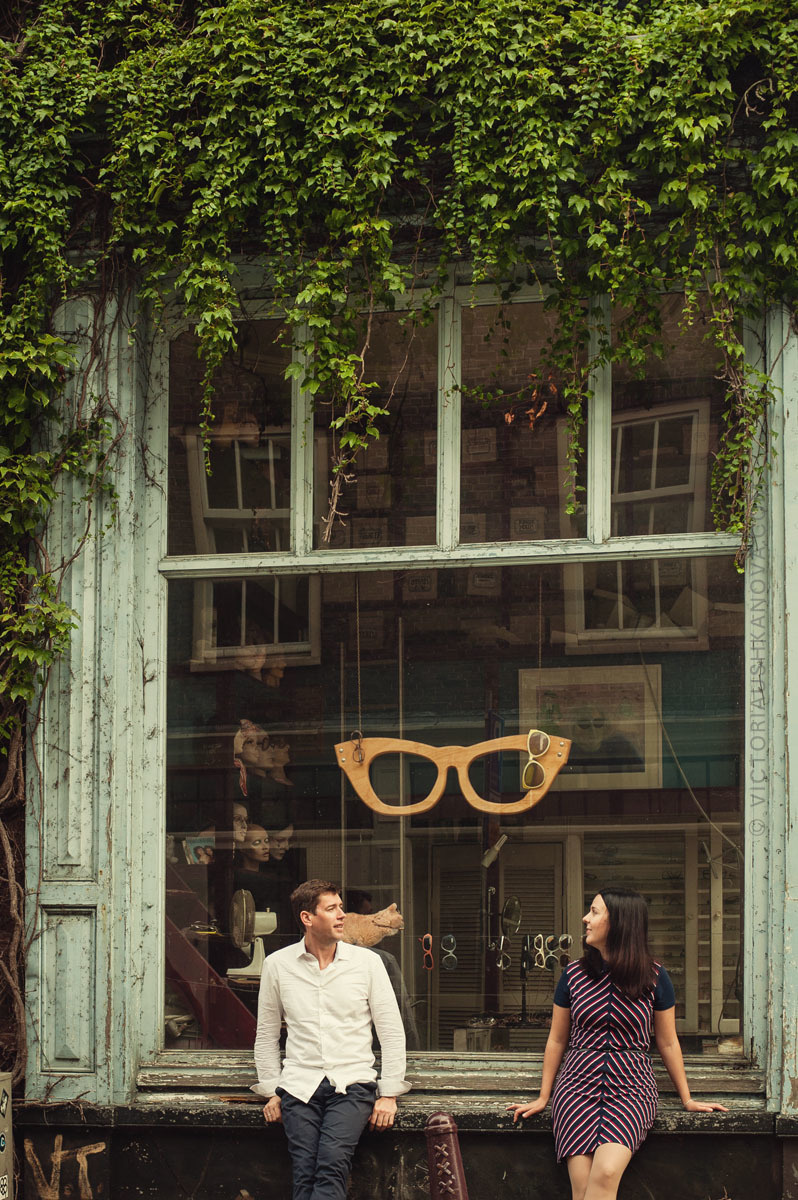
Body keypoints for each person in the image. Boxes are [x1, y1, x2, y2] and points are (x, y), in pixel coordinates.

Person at [507, 887, 728, 1200]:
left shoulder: (654, 976)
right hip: (576, 1088)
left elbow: (667, 1042)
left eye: (595, 912)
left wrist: (687, 1098)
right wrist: (545, 1096)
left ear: (620, 923)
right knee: (582, 1187)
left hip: (631, 1090)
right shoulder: (573, 974)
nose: (585, 918)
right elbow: (557, 1039)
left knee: (607, 1172)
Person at [253, 878, 409, 1200]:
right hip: (299, 1086)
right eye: (332, 908)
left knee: (331, 1163)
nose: (342, 915)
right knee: (304, 1168)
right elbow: (267, 1034)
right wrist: (271, 1089)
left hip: (352, 1085)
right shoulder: (277, 965)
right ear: (307, 918)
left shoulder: (368, 963)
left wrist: (390, 1093)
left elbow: (391, 1031)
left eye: (341, 907)